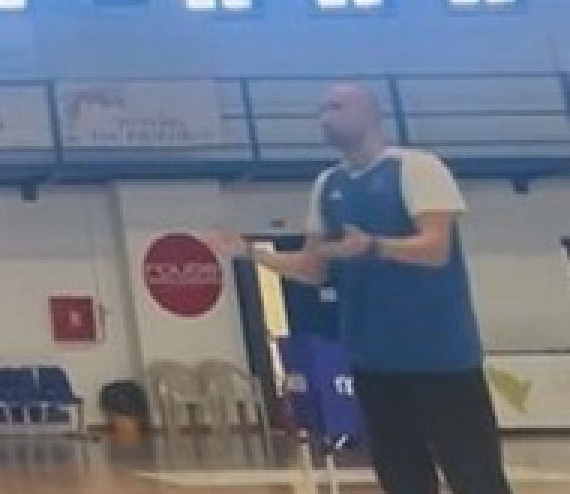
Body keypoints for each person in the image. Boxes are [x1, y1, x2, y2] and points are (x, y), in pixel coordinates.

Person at [210, 83, 511, 494]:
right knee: (402, 478)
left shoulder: (415, 167)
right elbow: (313, 268)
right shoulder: (328, 183)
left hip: (439, 355)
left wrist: (374, 246)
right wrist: (249, 252)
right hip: (374, 359)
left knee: (475, 476)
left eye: (336, 107)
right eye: (320, 110)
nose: (325, 118)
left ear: (370, 113)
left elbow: (436, 249)